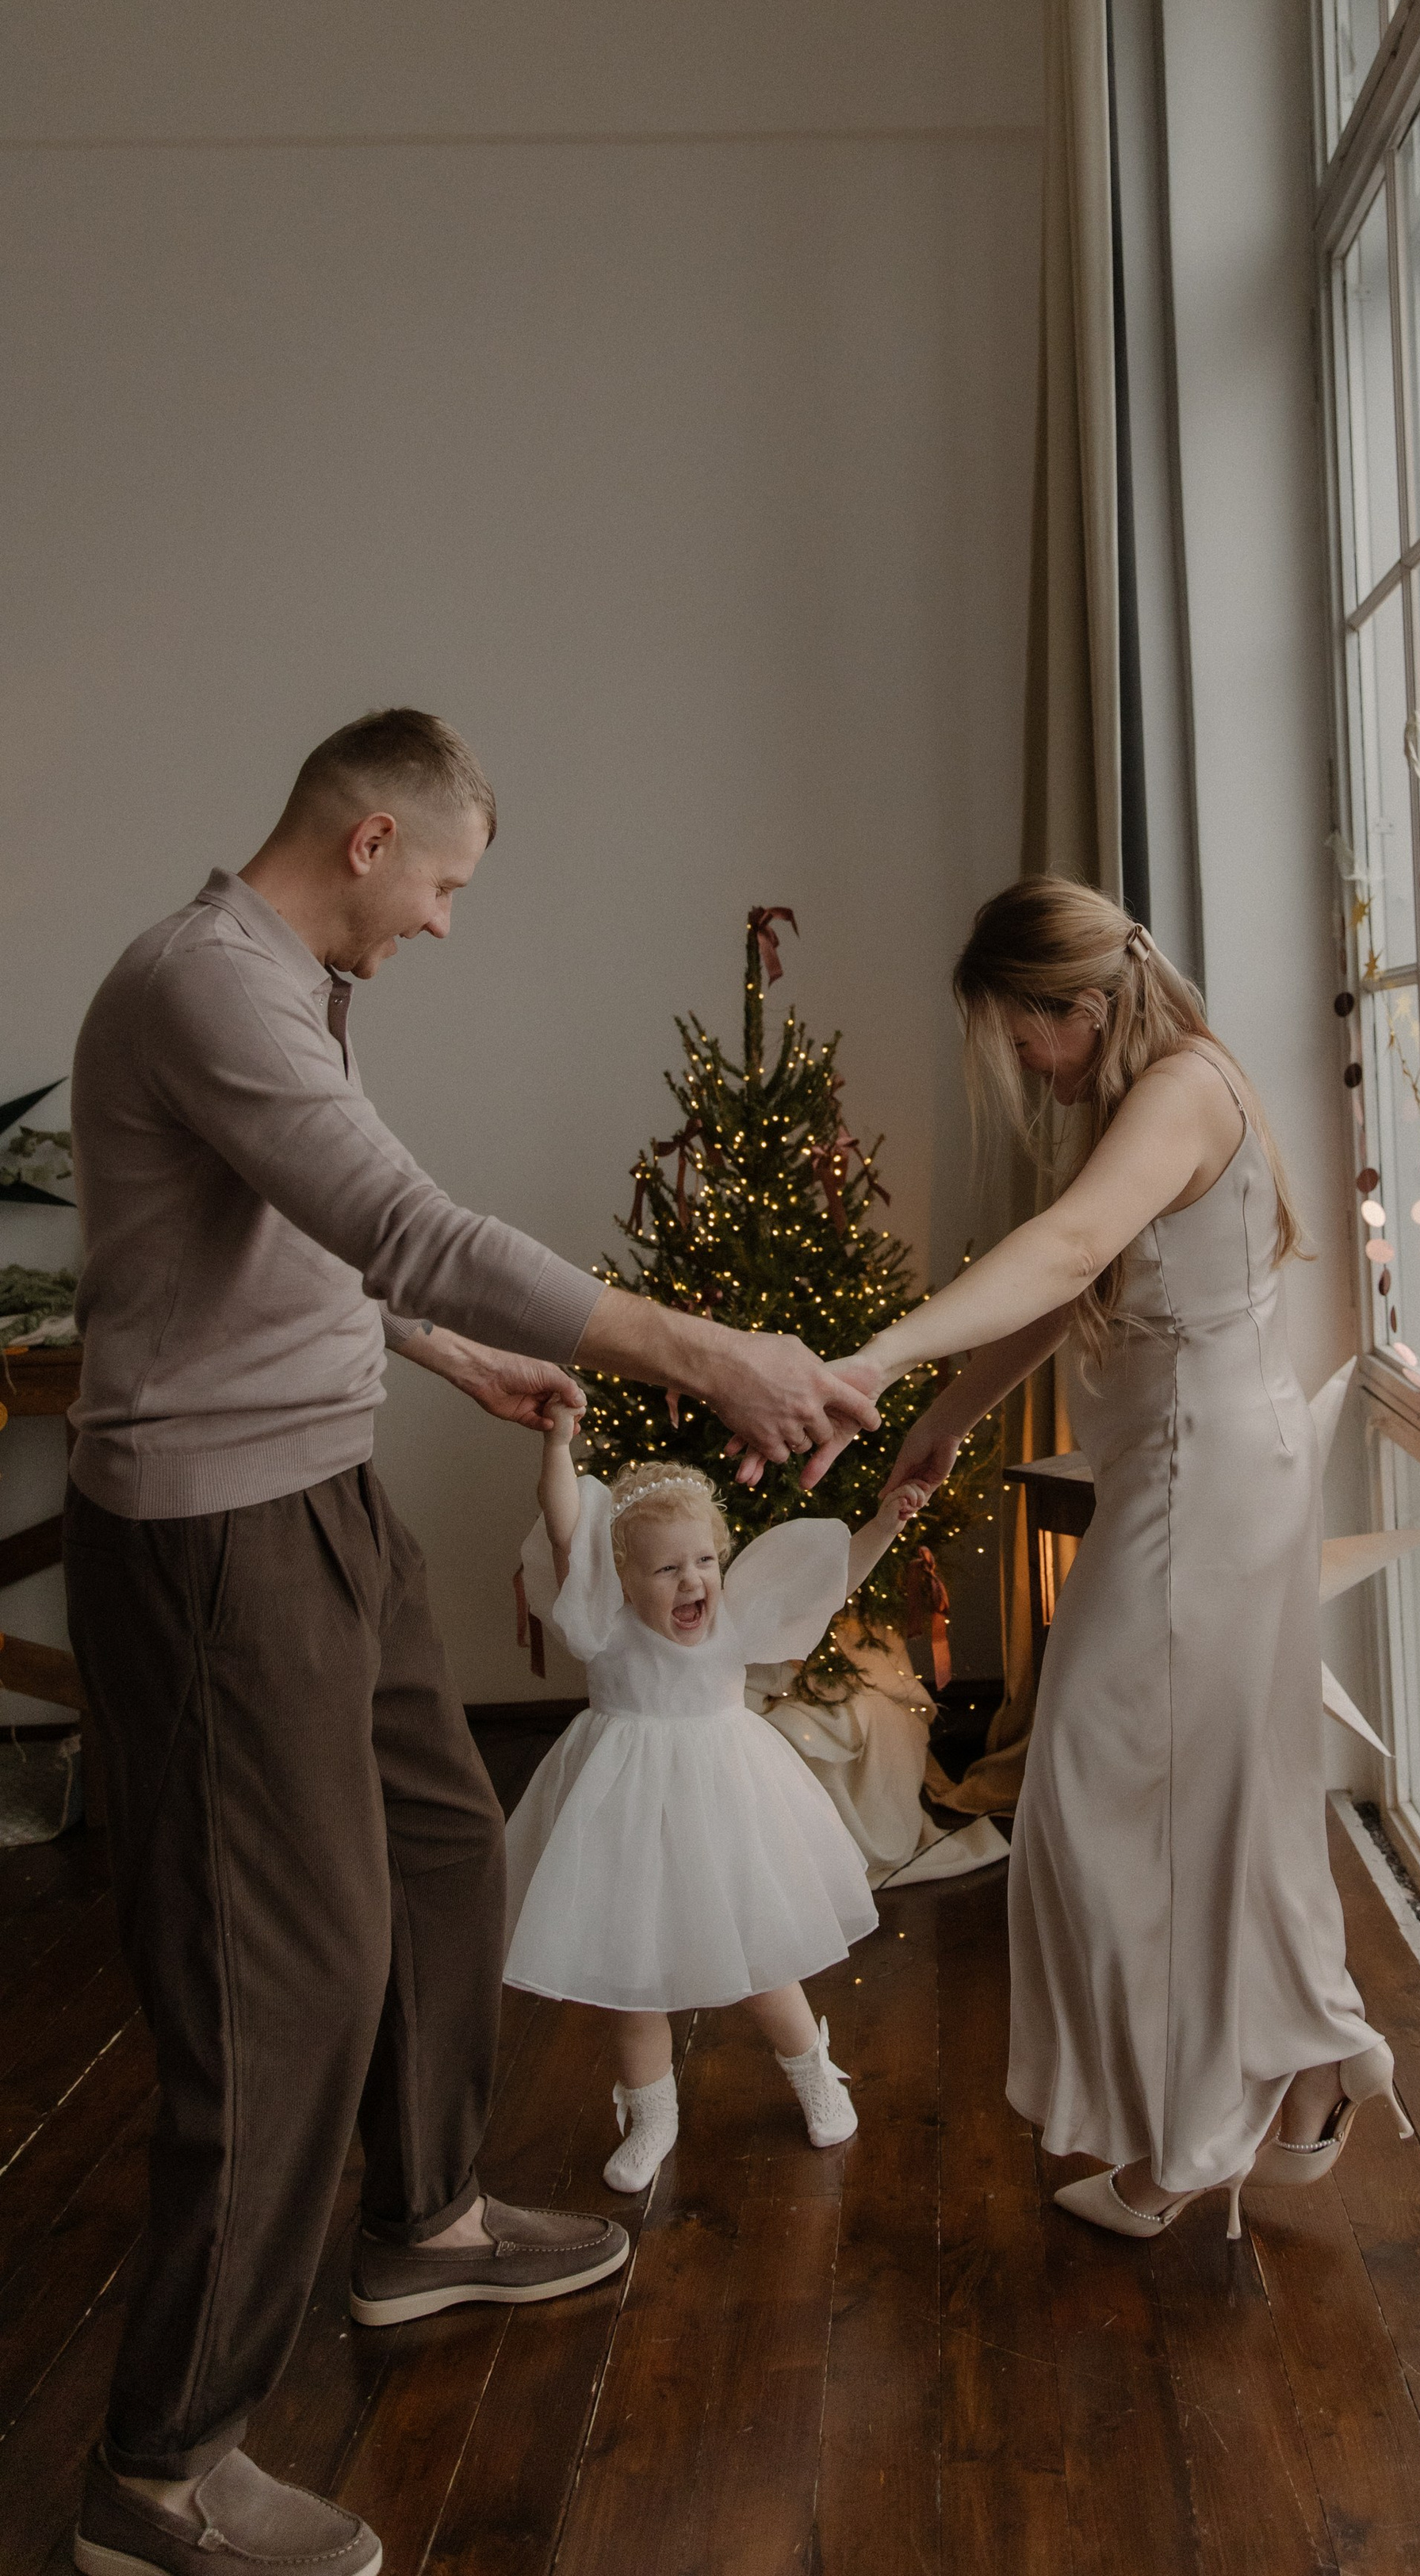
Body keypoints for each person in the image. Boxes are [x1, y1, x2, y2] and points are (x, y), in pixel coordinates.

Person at [62, 709, 878, 2576]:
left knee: (442, 1851)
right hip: (211, 1536)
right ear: (365, 839)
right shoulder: (208, 982)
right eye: (440, 883)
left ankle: (420, 2220)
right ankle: (158, 2468)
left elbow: (304, 1239)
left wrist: (435, 1354)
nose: (441, 922)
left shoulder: (276, 986)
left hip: (325, 1491)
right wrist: (699, 1348)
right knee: (291, 1977)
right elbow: (399, 1216)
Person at [838, 877, 1409, 2241]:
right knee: (1230, 1795)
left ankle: (1195, 2134)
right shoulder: (1169, 1086)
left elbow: (1074, 1245)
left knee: (1096, 1798)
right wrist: (944, 1422)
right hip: (1208, 1466)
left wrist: (876, 1354)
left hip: (1201, 1482)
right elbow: (1078, 1285)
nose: (1025, 1067)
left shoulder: (1179, 1095)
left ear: (1081, 1004)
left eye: (1022, 1036)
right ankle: (1306, 2065)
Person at [504, 1398, 925, 2189]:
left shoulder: (732, 1619)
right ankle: (651, 2111)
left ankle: (811, 2074)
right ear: (619, 1576)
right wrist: (558, 1445)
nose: (690, 1581)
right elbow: (565, 1528)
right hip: (622, 1814)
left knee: (763, 1962)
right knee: (630, 1984)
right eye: (665, 1569)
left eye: (703, 1561)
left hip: (725, 1808)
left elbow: (825, 1587)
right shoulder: (600, 1624)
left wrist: (885, 1526)